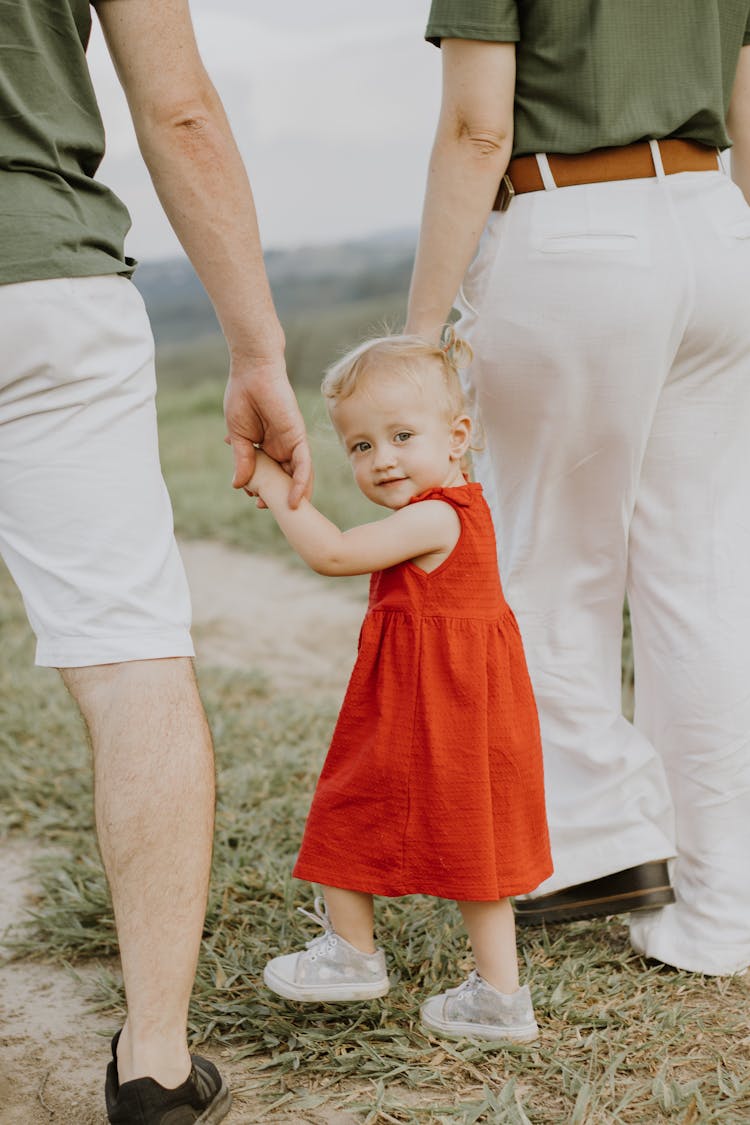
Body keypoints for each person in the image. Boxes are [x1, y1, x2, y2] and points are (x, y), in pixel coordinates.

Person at [0, 1, 311, 1121]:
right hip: (47, 290)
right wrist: (256, 348)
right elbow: (177, 106)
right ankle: (159, 1067)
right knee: (131, 656)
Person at [405, 1, 750, 976]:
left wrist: (420, 333)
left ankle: (599, 841)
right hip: (716, 228)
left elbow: (480, 128)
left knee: (551, 567)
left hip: (571, 230)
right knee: (706, 576)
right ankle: (721, 914)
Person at [244, 333, 552, 1043]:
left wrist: (268, 479)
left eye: (401, 435)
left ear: (457, 436)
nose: (381, 457)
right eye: (359, 445)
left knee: (350, 802)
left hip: (433, 707)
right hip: (457, 707)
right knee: (477, 842)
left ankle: (353, 955)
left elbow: (333, 552)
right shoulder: (452, 509)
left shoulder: (437, 515)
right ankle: (501, 998)